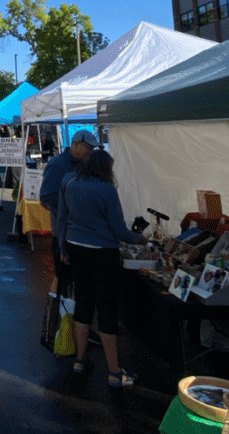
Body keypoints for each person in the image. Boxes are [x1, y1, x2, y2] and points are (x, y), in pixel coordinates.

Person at [56, 149, 142, 387]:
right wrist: (137, 238)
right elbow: (119, 229)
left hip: (75, 247)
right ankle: (114, 372)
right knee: (106, 307)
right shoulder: (106, 189)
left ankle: (80, 360)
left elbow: (62, 218)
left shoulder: (71, 183)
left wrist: (63, 248)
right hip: (103, 252)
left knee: (83, 302)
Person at [40, 130, 98, 275]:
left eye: (92, 149)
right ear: (75, 145)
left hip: (80, 231)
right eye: (88, 148)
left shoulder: (83, 163)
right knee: (64, 277)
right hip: (64, 232)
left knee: (74, 278)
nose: (90, 152)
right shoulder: (58, 164)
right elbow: (46, 196)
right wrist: (74, 204)